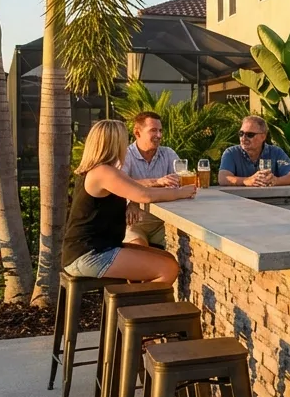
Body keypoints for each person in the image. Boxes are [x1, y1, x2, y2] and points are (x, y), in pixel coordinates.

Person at [63, 120, 197, 284]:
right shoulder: (103, 172)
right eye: (124, 140)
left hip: (101, 247)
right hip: (89, 254)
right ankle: (138, 308)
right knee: (167, 268)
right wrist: (179, 193)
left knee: (168, 259)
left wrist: (168, 190)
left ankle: (136, 305)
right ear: (114, 143)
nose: (126, 146)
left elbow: (134, 188)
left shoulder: (103, 170)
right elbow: (144, 195)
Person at [121, 111, 179, 246]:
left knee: (182, 248)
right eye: (153, 130)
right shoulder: (125, 155)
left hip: (163, 223)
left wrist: (135, 193)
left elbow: (179, 182)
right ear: (137, 133)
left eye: (160, 131)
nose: (159, 135)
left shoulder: (168, 154)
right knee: (140, 250)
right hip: (134, 223)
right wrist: (132, 201)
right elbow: (120, 183)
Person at [218, 115, 290, 187]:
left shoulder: (276, 152)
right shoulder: (231, 153)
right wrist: (247, 181)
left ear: (263, 137)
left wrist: (276, 181)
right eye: (241, 133)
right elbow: (223, 178)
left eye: (250, 135)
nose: (244, 138)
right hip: (240, 204)